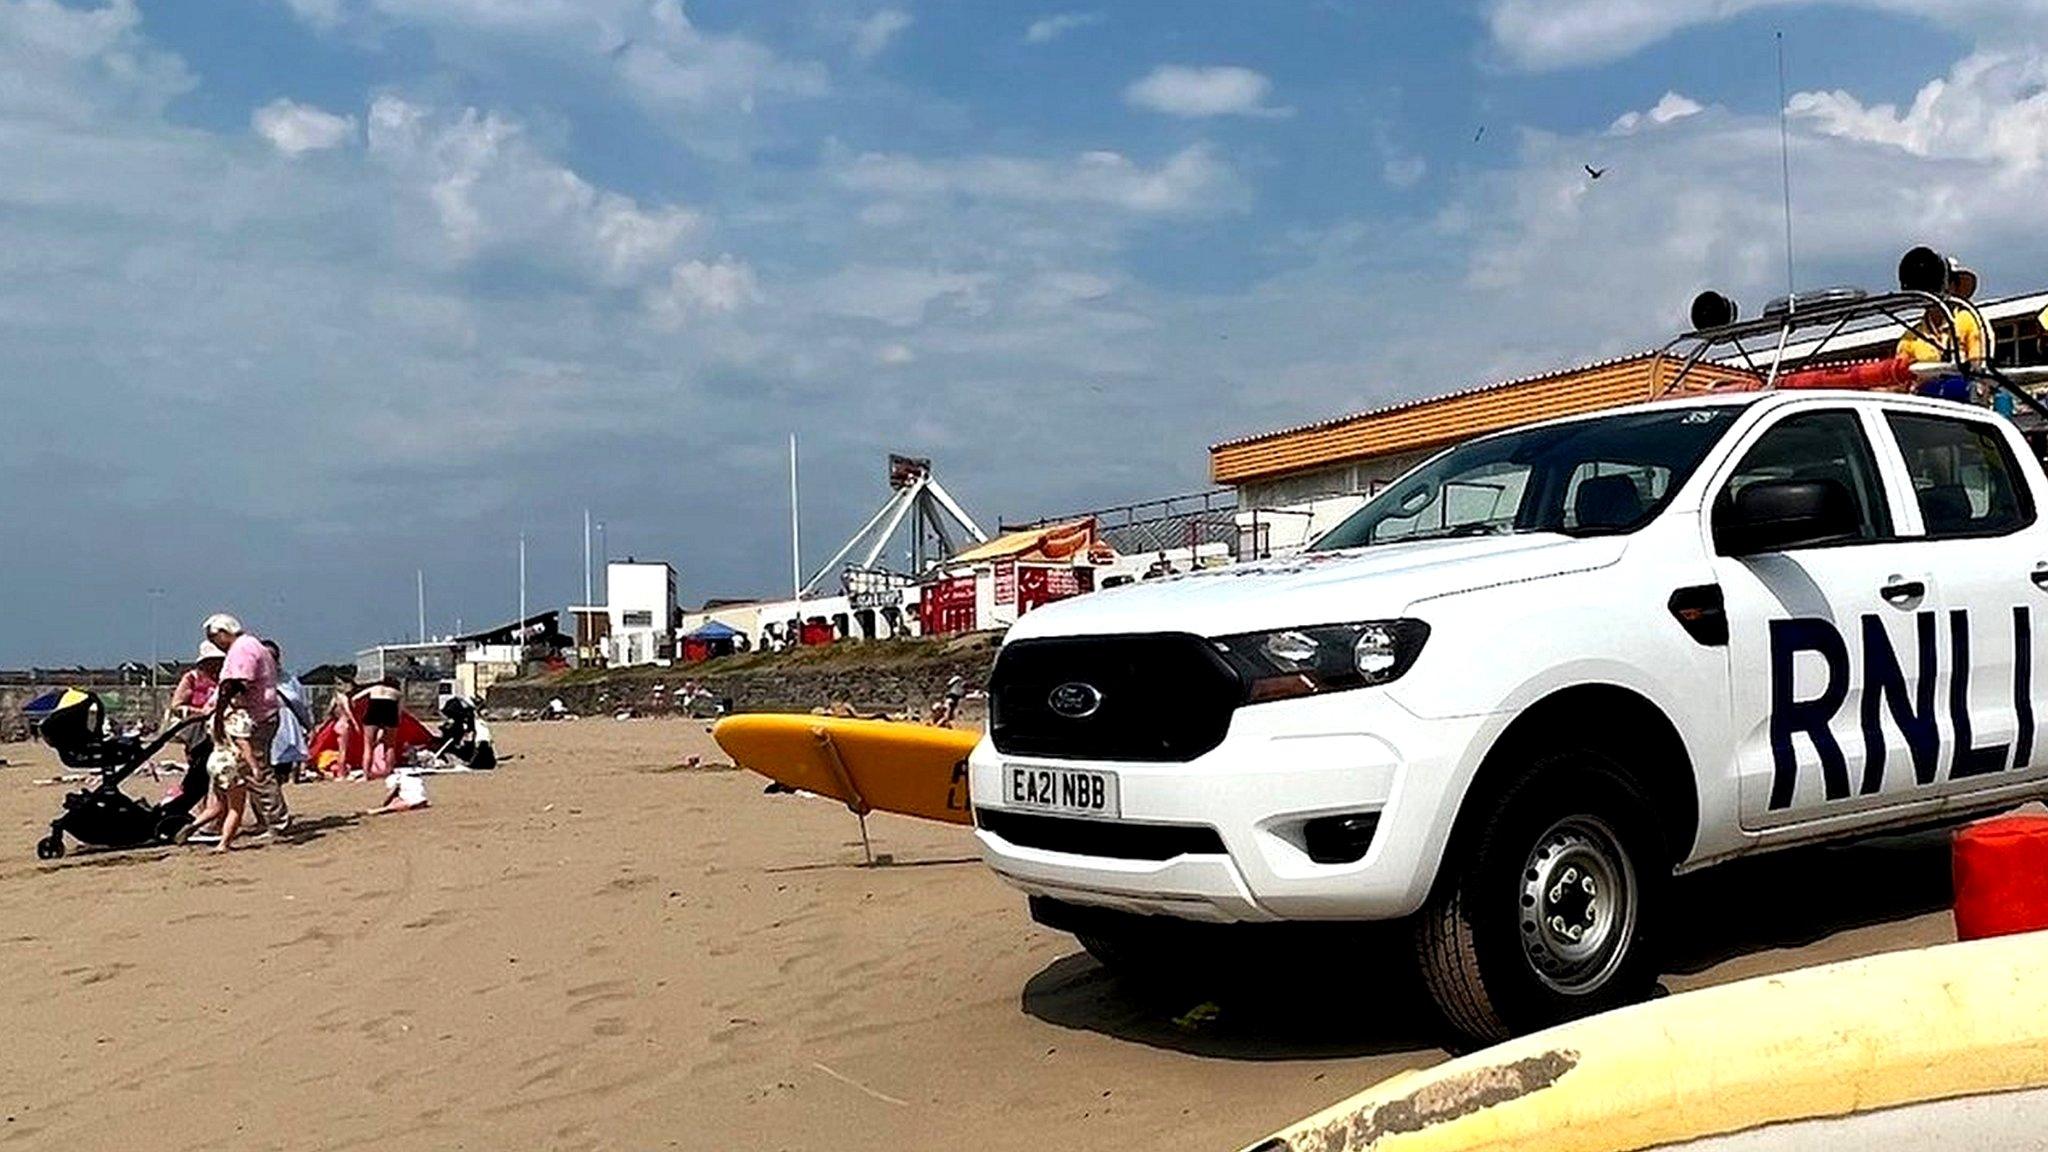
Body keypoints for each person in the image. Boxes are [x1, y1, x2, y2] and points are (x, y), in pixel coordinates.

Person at [206, 613, 289, 843]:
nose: (214, 643)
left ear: (224, 632)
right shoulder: (249, 645)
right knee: (251, 769)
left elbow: (237, 683)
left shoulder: (243, 648)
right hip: (261, 714)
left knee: (257, 769)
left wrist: (220, 712)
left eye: (214, 638)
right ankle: (266, 819)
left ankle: (276, 823)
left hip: (256, 717)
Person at [264, 640, 316, 784]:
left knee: (282, 768)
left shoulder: (289, 680)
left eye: (272, 657)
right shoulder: (253, 680)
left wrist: (309, 726)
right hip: (263, 724)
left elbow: (302, 705)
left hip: (286, 726)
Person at [359, 677, 403, 780]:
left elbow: (355, 698)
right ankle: (389, 773)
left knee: (368, 746)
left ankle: (366, 775)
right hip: (390, 714)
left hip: (372, 713)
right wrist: (397, 722)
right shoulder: (398, 693)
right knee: (390, 746)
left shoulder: (374, 688)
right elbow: (400, 711)